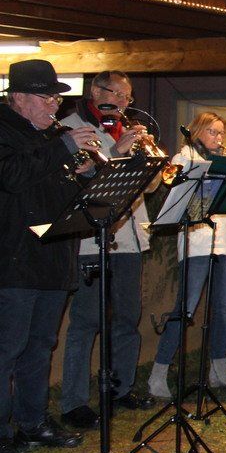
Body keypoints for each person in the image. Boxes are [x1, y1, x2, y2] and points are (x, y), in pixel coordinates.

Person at [0, 60, 93, 453]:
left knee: (41, 346)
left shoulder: (51, 136)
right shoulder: (5, 130)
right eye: (46, 97)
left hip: (53, 258)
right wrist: (64, 147)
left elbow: (60, 191)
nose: (54, 105)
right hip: (14, 261)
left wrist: (85, 175)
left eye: (56, 97)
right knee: (6, 351)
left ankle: (32, 423)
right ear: (18, 97)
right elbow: (13, 176)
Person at [59, 71, 158, 427]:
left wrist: (145, 155)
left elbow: (151, 186)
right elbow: (79, 183)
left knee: (128, 318)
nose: (119, 100)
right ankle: (74, 402)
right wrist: (117, 153)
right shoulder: (72, 129)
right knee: (86, 322)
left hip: (129, 238)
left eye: (126, 96)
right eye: (112, 92)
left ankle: (120, 388)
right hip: (90, 239)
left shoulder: (125, 129)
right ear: (93, 91)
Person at [148, 113, 226, 397]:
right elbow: (184, 195)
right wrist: (221, 167)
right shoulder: (184, 158)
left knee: (224, 309)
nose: (219, 138)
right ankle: (158, 372)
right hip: (198, 241)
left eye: (222, 133)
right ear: (197, 131)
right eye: (213, 132)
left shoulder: (225, 159)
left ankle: (218, 369)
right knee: (186, 308)